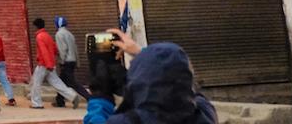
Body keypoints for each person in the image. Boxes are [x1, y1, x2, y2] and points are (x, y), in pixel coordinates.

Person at [87, 31, 216, 124]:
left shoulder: (130, 120)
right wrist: (142, 55)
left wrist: (100, 96)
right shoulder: (204, 114)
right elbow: (185, 82)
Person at [30, 17, 80, 109]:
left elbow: (43, 51)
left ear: (36, 27)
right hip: (51, 64)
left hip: (43, 64)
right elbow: (55, 48)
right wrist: (52, 63)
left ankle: (37, 103)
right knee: (57, 83)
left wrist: (48, 64)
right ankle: (72, 96)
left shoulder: (39, 37)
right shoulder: (48, 36)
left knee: (36, 83)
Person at [54, 17, 89, 107]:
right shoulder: (70, 34)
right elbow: (75, 49)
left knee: (72, 82)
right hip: (72, 60)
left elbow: (63, 49)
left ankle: (89, 98)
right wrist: (77, 62)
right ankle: (59, 101)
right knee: (62, 82)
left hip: (66, 61)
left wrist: (61, 61)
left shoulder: (59, 34)